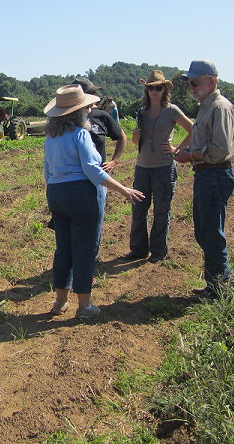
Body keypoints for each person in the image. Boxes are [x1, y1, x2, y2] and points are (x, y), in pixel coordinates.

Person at [44, 84, 144, 319]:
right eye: (86, 108)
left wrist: (57, 196)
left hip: (56, 194)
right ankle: (85, 306)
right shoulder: (81, 135)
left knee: (64, 249)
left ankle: (60, 302)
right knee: (85, 249)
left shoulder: (50, 138)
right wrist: (124, 189)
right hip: (80, 194)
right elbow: (93, 171)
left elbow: (48, 174)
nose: (90, 110)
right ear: (77, 113)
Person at [172, 61, 234, 302]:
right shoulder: (206, 107)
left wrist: (190, 155)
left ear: (212, 81)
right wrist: (187, 151)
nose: (191, 87)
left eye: (194, 82)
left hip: (215, 174)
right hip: (206, 174)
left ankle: (219, 289)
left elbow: (220, 149)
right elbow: (206, 144)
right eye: (189, 83)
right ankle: (215, 284)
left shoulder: (220, 108)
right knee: (205, 231)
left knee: (211, 232)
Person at [127, 70, 193, 263]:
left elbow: (193, 130)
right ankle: (138, 249)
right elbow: (136, 143)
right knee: (139, 209)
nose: (154, 91)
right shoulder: (141, 112)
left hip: (164, 167)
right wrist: (134, 139)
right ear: (146, 91)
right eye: (151, 88)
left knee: (161, 210)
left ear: (165, 90)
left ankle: (158, 251)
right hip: (142, 167)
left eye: (158, 87)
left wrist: (177, 148)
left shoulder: (172, 110)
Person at [70, 77, 127, 260]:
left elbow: (121, 136)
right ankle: (74, 265)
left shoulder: (101, 116)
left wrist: (114, 161)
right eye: (91, 93)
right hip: (74, 181)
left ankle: (89, 265)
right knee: (74, 225)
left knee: (94, 225)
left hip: (97, 180)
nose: (96, 96)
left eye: (94, 93)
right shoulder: (66, 119)